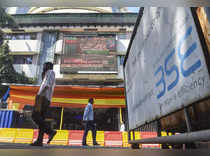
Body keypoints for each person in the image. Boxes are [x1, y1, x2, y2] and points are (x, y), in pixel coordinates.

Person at [30, 62, 57, 146]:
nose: (43, 67)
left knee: (34, 115)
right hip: (46, 99)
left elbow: (47, 85)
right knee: (41, 119)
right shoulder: (48, 74)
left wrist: (39, 95)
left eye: (44, 65)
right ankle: (39, 141)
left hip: (42, 98)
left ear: (48, 66)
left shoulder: (50, 72)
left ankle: (50, 131)